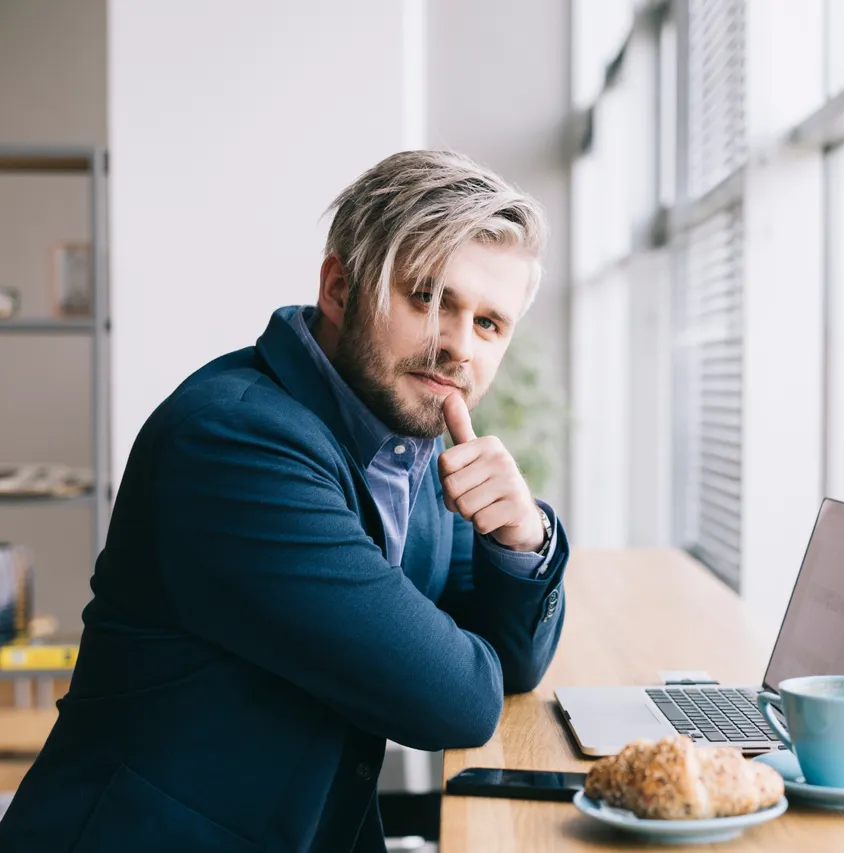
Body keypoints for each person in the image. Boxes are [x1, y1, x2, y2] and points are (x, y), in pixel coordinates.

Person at [0, 150, 569, 852]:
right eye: (426, 297)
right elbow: (457, 700)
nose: (456, 345)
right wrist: (467, 638)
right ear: (338, 287)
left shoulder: (405, 431)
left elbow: (509, 663)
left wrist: (521, 536)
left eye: (489, 324)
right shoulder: (235, 443)